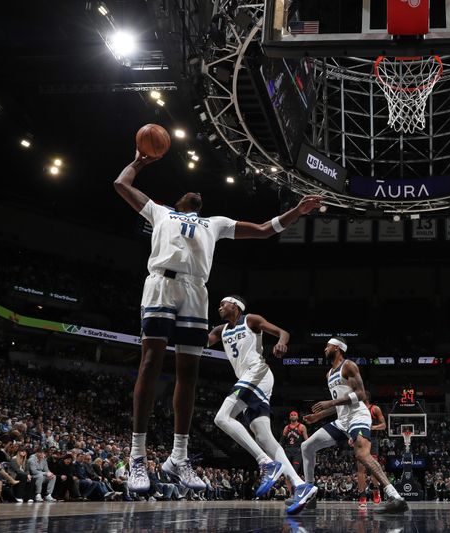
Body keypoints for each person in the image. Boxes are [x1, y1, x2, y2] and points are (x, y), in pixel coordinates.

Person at [113, 150, 322, 493]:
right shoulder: (160, 211)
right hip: (161, 286)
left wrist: (297, 211)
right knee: (150, 361)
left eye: (200, 195)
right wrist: (138, 161)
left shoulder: (216, 223)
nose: (197, 193)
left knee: (189, 373)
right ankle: (137, 456)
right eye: (190, 193)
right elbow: (121, 184)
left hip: (196, 291)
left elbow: (264, 230)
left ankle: (178, 458)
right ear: (179, 202)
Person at [207, 295, 317, 514]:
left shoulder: (250, 320)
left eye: (224, 303)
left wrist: (281, 343)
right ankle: (300, 485)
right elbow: (202, 341)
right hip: (251, 380)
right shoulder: (220, 330)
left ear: (236, 306)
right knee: (264, 437)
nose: (220, 306)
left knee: (221, 418)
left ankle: (265, 462)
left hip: (258, 372)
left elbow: (283, 332)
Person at [300, 337, 408, 514]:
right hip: (342, 421)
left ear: (338, 348)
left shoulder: (348, 365)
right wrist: (319, 415)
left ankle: (396, 497)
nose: (325, 349)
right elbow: (340, 404)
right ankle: (310, 496)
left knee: (362, 455)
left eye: (328, 346)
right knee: (307, 446)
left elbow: (360, 394)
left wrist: (329, 403)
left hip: (358, 416)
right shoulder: (329, 374)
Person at [356, 392, 386, 508]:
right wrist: (351, 436)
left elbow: (383, 425)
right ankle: (362, 496)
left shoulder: (375, 409)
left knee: (373, 468)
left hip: (372, 439)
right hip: (360, 439)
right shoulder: (357, 410)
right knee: (360, 468)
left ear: (366, 397)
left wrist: (372, 427)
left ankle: (376, 492)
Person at [281, 411, 308, 493]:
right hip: (288, 450)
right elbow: (282, 441)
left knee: (294, 472)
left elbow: (307, 440)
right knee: (287, 474)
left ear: (297, 417)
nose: (293, 416)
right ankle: (291, 494)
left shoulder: (301, 427)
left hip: (297, 451)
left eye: (295, 415)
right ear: (290, 417)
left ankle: (297, 491)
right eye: (291, 415)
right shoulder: (286, 428)